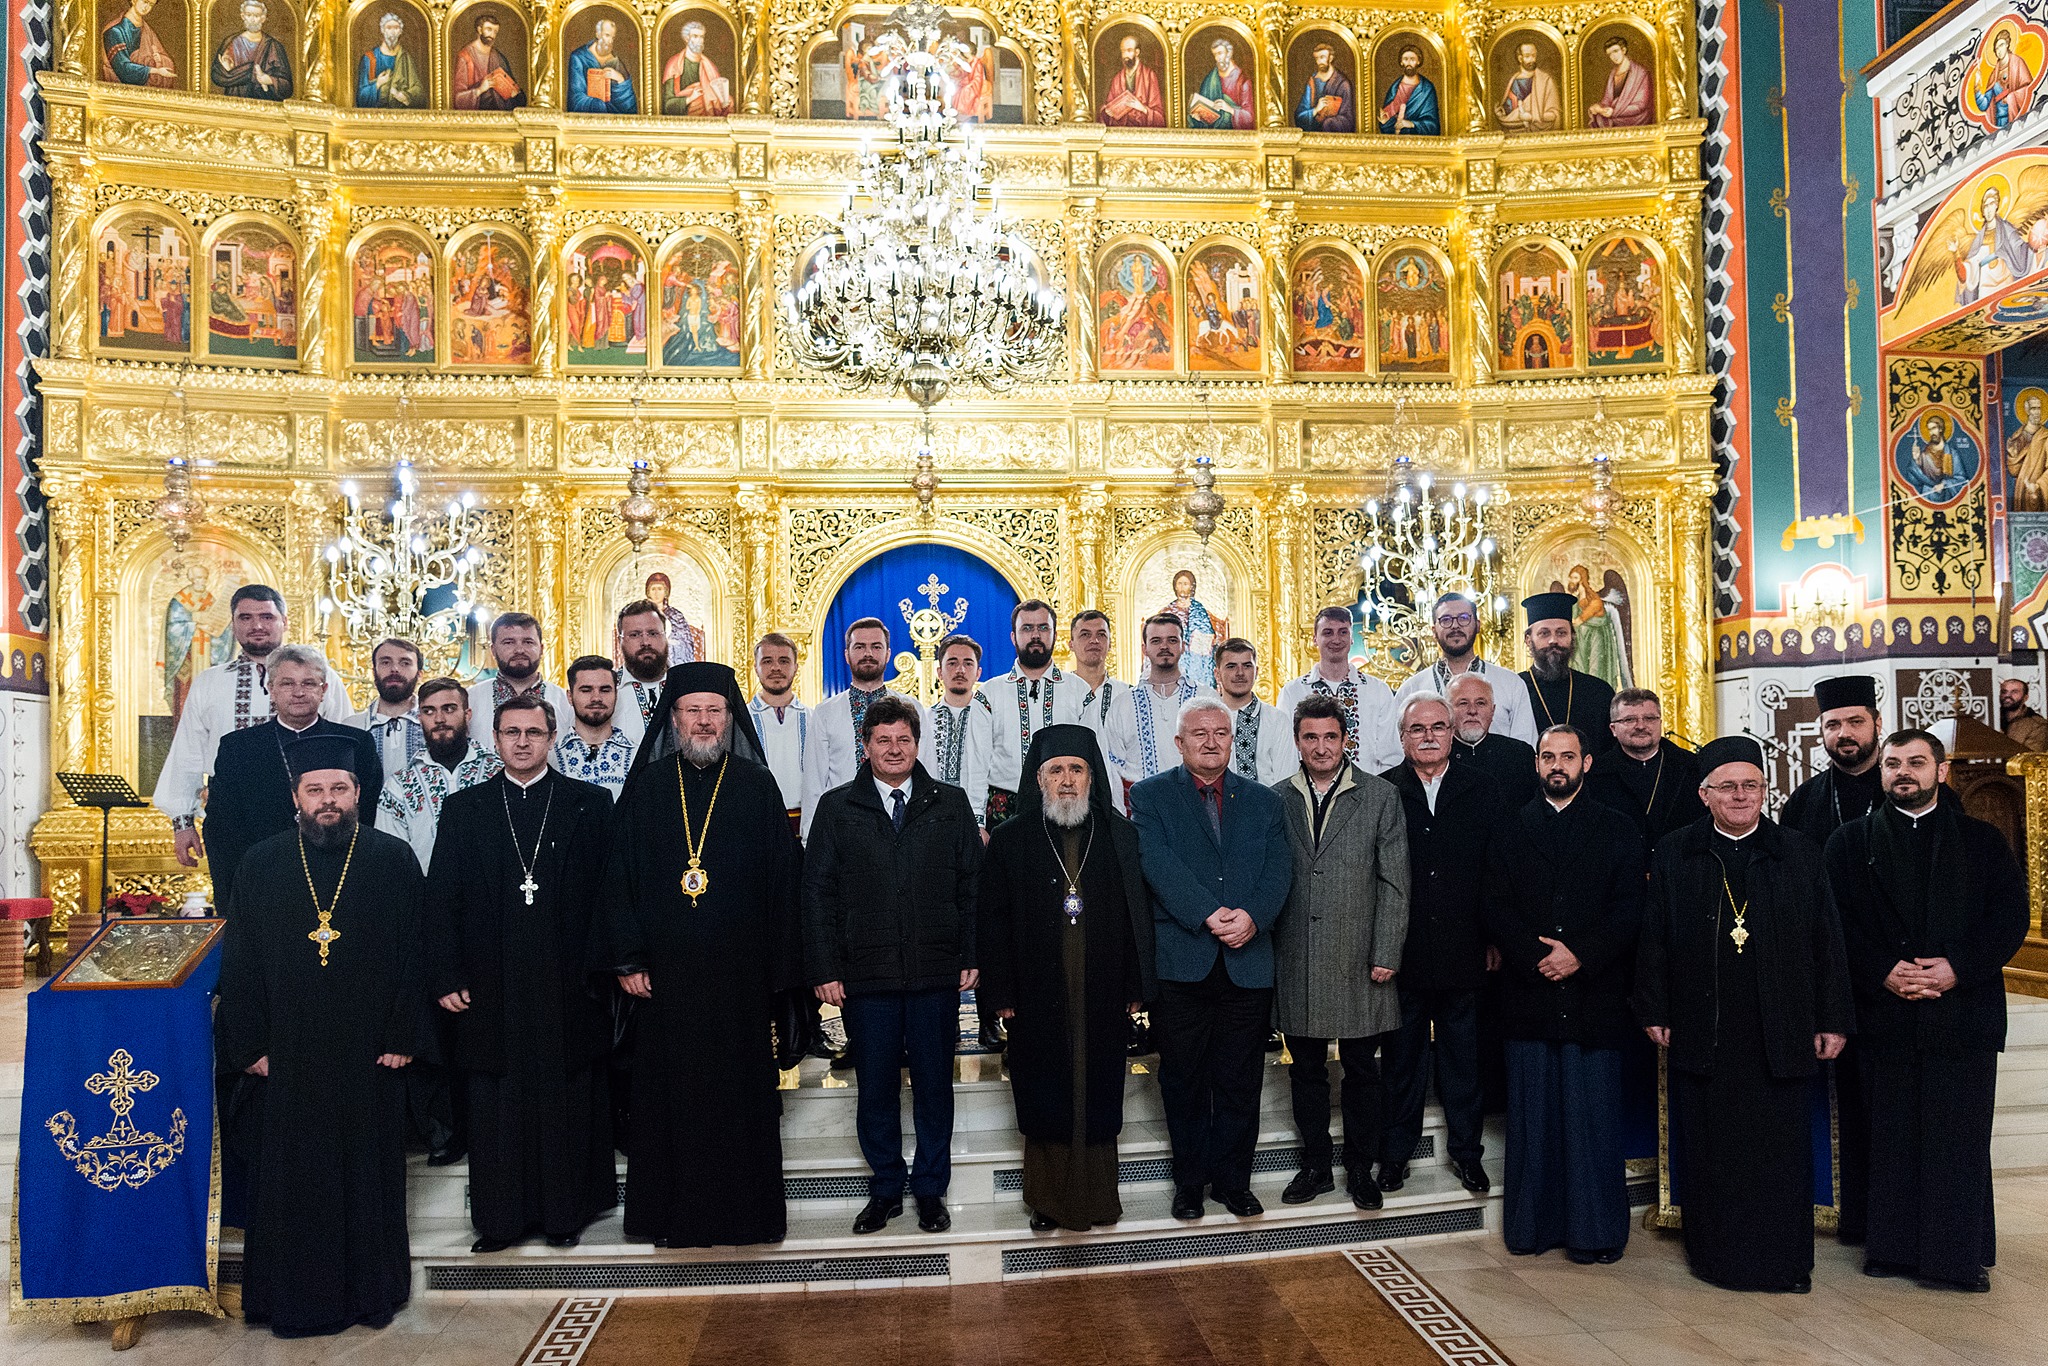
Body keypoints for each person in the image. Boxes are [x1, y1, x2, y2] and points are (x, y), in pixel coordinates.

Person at [215, 734, 426, 1337]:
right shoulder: (262, 862)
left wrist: (404, 1032)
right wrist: (249, 1043)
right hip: (289, 1053)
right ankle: (291, 1300)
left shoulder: (390, 859)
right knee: (291, 1177)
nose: (328, 801)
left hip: (370, 1052)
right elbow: (243, 960)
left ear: (359, 794)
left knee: (367, 1174)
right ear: (296, 797)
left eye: (339, 789)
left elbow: (415, 953)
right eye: (316, 791)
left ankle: (370, 1294)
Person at [1635, 736, 1854, 1295]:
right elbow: (1654, 938)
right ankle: (1715, 1259)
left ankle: (1784, 1264)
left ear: (1764, 790)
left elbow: (1828, 940)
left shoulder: (1799, 851)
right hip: (1703, 1024)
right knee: (1713, 1147)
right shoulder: (1676, 850)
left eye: (1750, 785)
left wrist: (1833, 1018)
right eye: (1727, 786)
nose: (1740, 796)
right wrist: (1653, 1006)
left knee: (1778, 1151)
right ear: (1705, 794)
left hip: (1779, 1025)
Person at [603, 662, 804, 1247]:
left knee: (738, 1101)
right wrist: (629, 958)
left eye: (715, 711)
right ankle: (673, 1218)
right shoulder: (646, 787)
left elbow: (781, 884)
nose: (705, 721)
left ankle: (746, 1218)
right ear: (674, 718)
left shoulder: (755, 786)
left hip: (738, 979)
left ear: (730, 719)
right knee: (672, 1100)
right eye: (693, 710)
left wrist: (778, 968)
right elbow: (620, 879)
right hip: (664, 981)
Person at [1826, 730, 2029, 1292]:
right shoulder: (1847, 843)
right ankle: (1889, 1250)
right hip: (1884, 1014)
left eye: (1916, 762)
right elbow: (1834, 923)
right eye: (1893, 763)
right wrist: (1883, 971)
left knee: (1956, 1139)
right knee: (1888, 1134)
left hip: (1962, 1013)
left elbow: (2010, 918)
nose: (1903, 772)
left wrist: (1957, 968)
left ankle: (1955, 1258)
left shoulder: (1983, 841)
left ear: (1941, 771)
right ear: (1881, 772)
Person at [426, 694, 616, 1253]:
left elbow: (608, 896)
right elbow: (443, 901)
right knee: (496, 1102)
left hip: (568, 981)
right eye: (512, 732)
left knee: (565, 1098)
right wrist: (446, 974)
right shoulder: (466, 809)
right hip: (491, 983)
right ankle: (500, 1221)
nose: (523, 742)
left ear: (552, 737)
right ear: (495, 738)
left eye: (534, 731)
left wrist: (605, 971)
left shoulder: (588, 803)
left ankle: (565, 1215)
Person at [803, 695, 981, 1235]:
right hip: (867, 975)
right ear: (866, 746)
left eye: (904, 739)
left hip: (934, 973)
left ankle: (930, 1190)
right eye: (883, 740)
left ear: (917, 744)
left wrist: (970, 953)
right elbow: (818, 894)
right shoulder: (837, 808)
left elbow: (972, 886)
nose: (894, 749)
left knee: (933, 1086)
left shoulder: (948, 804)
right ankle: (885, 1189)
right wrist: (824, 967)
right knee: (875, 1087)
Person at [978, 725, 1153, 1231]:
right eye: (1057, 770)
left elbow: (1137, 917)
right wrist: (1002, 993)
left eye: (1077, 770)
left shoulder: (1120, 835)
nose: (1068, 780)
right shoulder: (1011, 840)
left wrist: (1136, 986)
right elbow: (993, 920)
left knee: (1097, 1089)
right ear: (1039, 780)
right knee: (1044, 1091)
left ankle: (1098, 1199)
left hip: (1101, 986)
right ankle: (1047, 1200)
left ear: (1092, 778)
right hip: (1036, 991)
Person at [1485, 725, 1644, 1261]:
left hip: (1594, 995)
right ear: (1536, 764)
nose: (1558, 765)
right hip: (1528, 995)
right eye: (1548, 757)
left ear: (1587, 763)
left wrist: (1580, 954)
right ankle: (1532, 1229)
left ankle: (1595, 1234)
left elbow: (1629, 909)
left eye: (1567, 756)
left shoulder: (1618, 828)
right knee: (1533, 1120)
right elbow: (1495, 905)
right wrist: (1538, 958)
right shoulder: (1509, 827)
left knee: (1592, 1119)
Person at [1131, 699, 1291, 1219]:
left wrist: (1253, 918)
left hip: (1247, 962)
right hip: (1183, 960)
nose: (1210, 741)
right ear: (1179, 743)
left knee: (1240, 1080)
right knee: (1183, 1079)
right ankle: (1190, 1183)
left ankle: (1233, 1182)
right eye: (1198, 733)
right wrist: (1207, 914)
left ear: (1233, 739)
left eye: (1221, 732)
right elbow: (1157, 865)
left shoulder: (1266, 802)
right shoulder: (1151, 797)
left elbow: (1278, 873)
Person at [1272, 694, 1408, 1211]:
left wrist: (1387, 950)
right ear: (1298, 742)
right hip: (1297, 954)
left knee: (1362, 1070)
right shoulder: (1276, 797)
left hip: (1360, 957)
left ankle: (1359, 1166)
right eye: (1311, 737)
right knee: (1304, 1069)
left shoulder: (1379, 796)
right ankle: (1314, 1165)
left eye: (1331, 736)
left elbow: (1395, 882)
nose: (1322, 746)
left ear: (1345, 739)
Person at [1377, 693, 1501, 1193]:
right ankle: (1395, 1156)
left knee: (1462, 1062)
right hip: (1402, 953)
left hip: (1464, 949)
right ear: (1402, 737)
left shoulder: (1483, 789)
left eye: (1437, 727)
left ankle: (1468, 1155)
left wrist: (1494, 937)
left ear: (1452, 732)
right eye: (1417, 729)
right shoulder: (1385, 791)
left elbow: (1497, 870)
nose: (1428, 736)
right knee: (1402, 1063)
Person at [1778, 673, 1884, 1242]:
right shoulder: (1805, 804)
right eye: (1833, 725)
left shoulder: (1908, 790)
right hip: (1827, 973)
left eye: (1854, 722)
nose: (1845, 734)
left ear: (1876, 725)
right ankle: (1852, 1215)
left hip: (1896, 976)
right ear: (1820, 733)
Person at [156, 584, 351, 871]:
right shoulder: (209, 682)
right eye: (245, 618)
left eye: (267, 617)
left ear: (284, 622)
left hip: (308, 814)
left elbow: (342, 745)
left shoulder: (322, 677)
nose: (257, 625)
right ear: (232, 624)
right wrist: (182, 823)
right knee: (239, 905)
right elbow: (187, 753)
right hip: (232, 815)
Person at [202, 646, 383, 914]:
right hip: (263, 882)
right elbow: (221, 827)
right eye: (287, 683)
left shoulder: (356, 743)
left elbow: (368, 814)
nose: (298, 692)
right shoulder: (238, 747)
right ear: (271, 689)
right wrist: (232, 899)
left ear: (323, 690)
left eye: (308, 683)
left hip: (340, 880)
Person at [801, 617, 924, 838]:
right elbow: (814, 784)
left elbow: (927, 770)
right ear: (847, 655)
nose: (868, 653)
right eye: (860, 647)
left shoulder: (912, 708)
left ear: (888, 654)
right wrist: (811, 840)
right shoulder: (825, 712)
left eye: (876, 647)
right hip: (844, 826)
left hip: (902, 823)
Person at [378, 677, 504, 870]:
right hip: (424, 894)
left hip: (494, 892)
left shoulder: (498, 772)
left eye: (449, 709)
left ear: (467, 714)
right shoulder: (400, 785)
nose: (439, 719)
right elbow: (390, 856)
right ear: (419, 717)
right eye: (429, 711)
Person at [1393, 592, 1537, 744]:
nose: (1455, 625)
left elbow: (1525, 746)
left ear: (1477, 625)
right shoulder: (1411, 689)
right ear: (1434, 630)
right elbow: (1397, 747)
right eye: (1446, 620)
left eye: (1464, 618)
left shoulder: (1511, 683)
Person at [986, 601, 1079, 827]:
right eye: (1027, 628)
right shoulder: (989, 692)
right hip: (1004, 807)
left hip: (1065, 804)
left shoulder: (1079, 690)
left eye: (1043, 628)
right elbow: (977, 762)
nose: (1035, 635)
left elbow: (1093, 757)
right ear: (1013, 637)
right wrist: (978, 822)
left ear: (1055, 634)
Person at [1277, 605, 1400, 772]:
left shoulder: (1377, 690)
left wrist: (1377, 794)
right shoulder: (1293, 692)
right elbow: (1287, 754)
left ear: (1352, 638)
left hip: (1367, 792)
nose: (1336, 640)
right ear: (1314, 639)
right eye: (1328, 633)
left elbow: (1391, 755)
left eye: (1343, 632)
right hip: (1310, 792)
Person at [1583, 687, 1705, 847]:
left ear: (1660, 723)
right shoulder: (1594, 774)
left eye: (1649, 718)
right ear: (1613, 729)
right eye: (1629, 720)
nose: (1641, 726)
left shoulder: (1692, 767)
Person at [918, 633, 1009, 826]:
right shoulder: (923, 720)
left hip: (985, 822)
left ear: (978, 673)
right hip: (934, 820)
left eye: (968, 663)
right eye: (952, 663)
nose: (960, 670)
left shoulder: (993, 720)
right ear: (939, 672)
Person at [1109, 614, 1199, 790]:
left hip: (1197, 804)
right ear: (1145, 648)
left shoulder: (1205, 698)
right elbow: (1113, 769)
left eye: (1172, 640)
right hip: (1140, 809)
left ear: (1183, 646)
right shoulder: (1123, 704)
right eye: (1156, 641)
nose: (1164, 646)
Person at [1518, 592, 1616, 753]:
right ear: (1528, 640)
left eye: (1561, 632)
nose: (1553, 640)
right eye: (1544, 633)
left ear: (1572, 637)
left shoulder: (1599, 691)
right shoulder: (1515, 688)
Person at [468, 613, 570, 749]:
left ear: (541, 649)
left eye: (528, 642)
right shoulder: (470, 700)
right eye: (509, 642)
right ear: (493, 650)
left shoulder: (565, 703)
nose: (519, 650)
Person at [1067, 609, 1136, 808]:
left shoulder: (1129, 695)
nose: (1094, 641)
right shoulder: (1060, 693)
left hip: (1119, 798)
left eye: (1101, 635)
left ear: (1110, 644)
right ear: (1071, 644)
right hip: (1070, 794)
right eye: (1085, 635)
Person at [1208, 638, 1296, 786]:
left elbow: (1287, 778)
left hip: (1265, 807)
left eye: (1247, 666)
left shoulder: (1277, 720)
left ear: (1256, 672)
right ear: (1217, 674)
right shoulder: (1206, 719)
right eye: (1231, 666)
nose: (1240, 673)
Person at [1445, 672, 1537, 809]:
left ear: (1493, 711)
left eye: (1480, 703)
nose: (1472, 711)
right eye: (1463, 703)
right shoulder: (1438, 757)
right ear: (1448, 711)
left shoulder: (1520, 755)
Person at [552, 654, 636, 796]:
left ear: (616, 695)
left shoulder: (637, 755)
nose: (596, 698)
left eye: (605, 690)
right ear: (570, 697)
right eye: (586, 690)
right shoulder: (551, 758)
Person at [347, 636, 425, 779]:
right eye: (385, 662)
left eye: (405, 663)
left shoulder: (433, 724)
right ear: (373, 671)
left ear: (419, 674)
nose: (394, 669)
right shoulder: (351, 727)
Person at [612, 599, 672, 748]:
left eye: (653, 633)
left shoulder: (685, 688)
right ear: (620, 641)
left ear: (665, 637)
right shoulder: (608, 692)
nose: (645, 642)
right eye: (634, 635)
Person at [211, 0, 293, 100]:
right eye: (249, 15)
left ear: (263, 18)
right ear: (243, 16)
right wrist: (225, 71)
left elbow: (287, 86)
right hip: (233, 102)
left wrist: (270, 80)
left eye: (256, 16)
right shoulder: (231, 42)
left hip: (264, 104)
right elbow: (217, 76)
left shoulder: (273, 46)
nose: (252, 19)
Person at [452, 10, 525, 110]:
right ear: (479, 29)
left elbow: (512, 87)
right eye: (489, 29)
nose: (492, 35)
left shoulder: (498, 57)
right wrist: (480, 89)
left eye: (495, 31)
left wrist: (514, 93)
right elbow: (458, 99)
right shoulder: (465, 57)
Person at [661, 18, 732, 116]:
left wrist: (724, 102)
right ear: (686, 38)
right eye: (695, 36)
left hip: (709, 117)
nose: (699, 40)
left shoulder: (709, 65)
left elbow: (717, 95)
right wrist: (690, 98)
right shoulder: (674, 64)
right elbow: (667, 105)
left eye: (701, 37)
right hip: (684, 116)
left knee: (730, 101)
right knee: (699, 101)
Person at [101, 0, 178, 88]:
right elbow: (123, 69)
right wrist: (157, 71)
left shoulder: (147, 31)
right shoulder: (115, 31)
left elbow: (162, 58)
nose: (146, 7)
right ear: (134, 1)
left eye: (151, 4)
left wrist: (159, 60)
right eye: (145, 1)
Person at [567, 17, 637, 113]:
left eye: (613, 37)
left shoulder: (616, 62)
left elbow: (629, 108)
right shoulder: (579, 57)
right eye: (607, 35)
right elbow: (576, 100)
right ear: (598, 34)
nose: (610, 41)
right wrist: (602, 106)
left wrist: (620, 80)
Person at [356, 10, 425, 107]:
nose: (392, 32)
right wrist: (378, 84)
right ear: (382, 30)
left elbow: (418, 90)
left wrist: (405, 96)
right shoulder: (369, 58)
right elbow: (361, 97)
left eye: (396, 28)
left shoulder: (405, 58)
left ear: (400, 31)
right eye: (389, 28)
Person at [1098, 32, 1166, 127]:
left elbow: (1160, 117)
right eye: (1123, 51)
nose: (1125, 55)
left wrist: (1142, 108)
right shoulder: (1117, 79)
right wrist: (1107, 111)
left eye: (1129, 50)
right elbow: (1108, 110)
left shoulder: (1149, 76)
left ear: (1137, 52)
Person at [1588, 35, 1653, 128]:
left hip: (1635, 117)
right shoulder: (1613, 74)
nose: (1613, 56)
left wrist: (1614, 112)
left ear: (1623, 50)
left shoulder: (1640, 73)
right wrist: (1599, 107)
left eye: (1615, 51)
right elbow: (1607, 99)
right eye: (1610, 54)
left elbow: (1641, 105)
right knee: (1598, 117)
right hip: (1615, 115)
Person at [1496, 39, 1560, 132]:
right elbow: (1508, 110)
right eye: (1527, 56)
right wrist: (1500, 114)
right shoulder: (1514, 80)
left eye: (1533, 56)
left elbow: (1554, 114)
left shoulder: (1546, 81)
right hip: (1513, 133)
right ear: (1520, 58)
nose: (1532, 60)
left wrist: (1531, 117)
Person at [1376, 43, 1439, 135]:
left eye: (1412, 59)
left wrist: (1412, 124)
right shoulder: (1394, 88)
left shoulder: (1427, 89)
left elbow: (1433, 125)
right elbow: (1385, 122)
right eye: (1406, 59)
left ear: (1418, 61)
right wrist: (1385, 121)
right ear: (1401, 62)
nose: (1409, 63)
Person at [1294, 40, 1354, 133]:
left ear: (1330, 58)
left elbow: (1347, 119)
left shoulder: (1342, 83)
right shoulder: (1312, 82)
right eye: (1317, 58)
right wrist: (1316, 109)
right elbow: (1300, 116)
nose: (1319, 62)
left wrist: (1329, 121)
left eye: (1322, 57)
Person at [2002, 678, 2048, 751]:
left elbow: (2031, 757)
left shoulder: (2037, 725)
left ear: (2025, 697)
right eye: (2004, 692)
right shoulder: (1992, 719)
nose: (2007, 695)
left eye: (2014, 692)